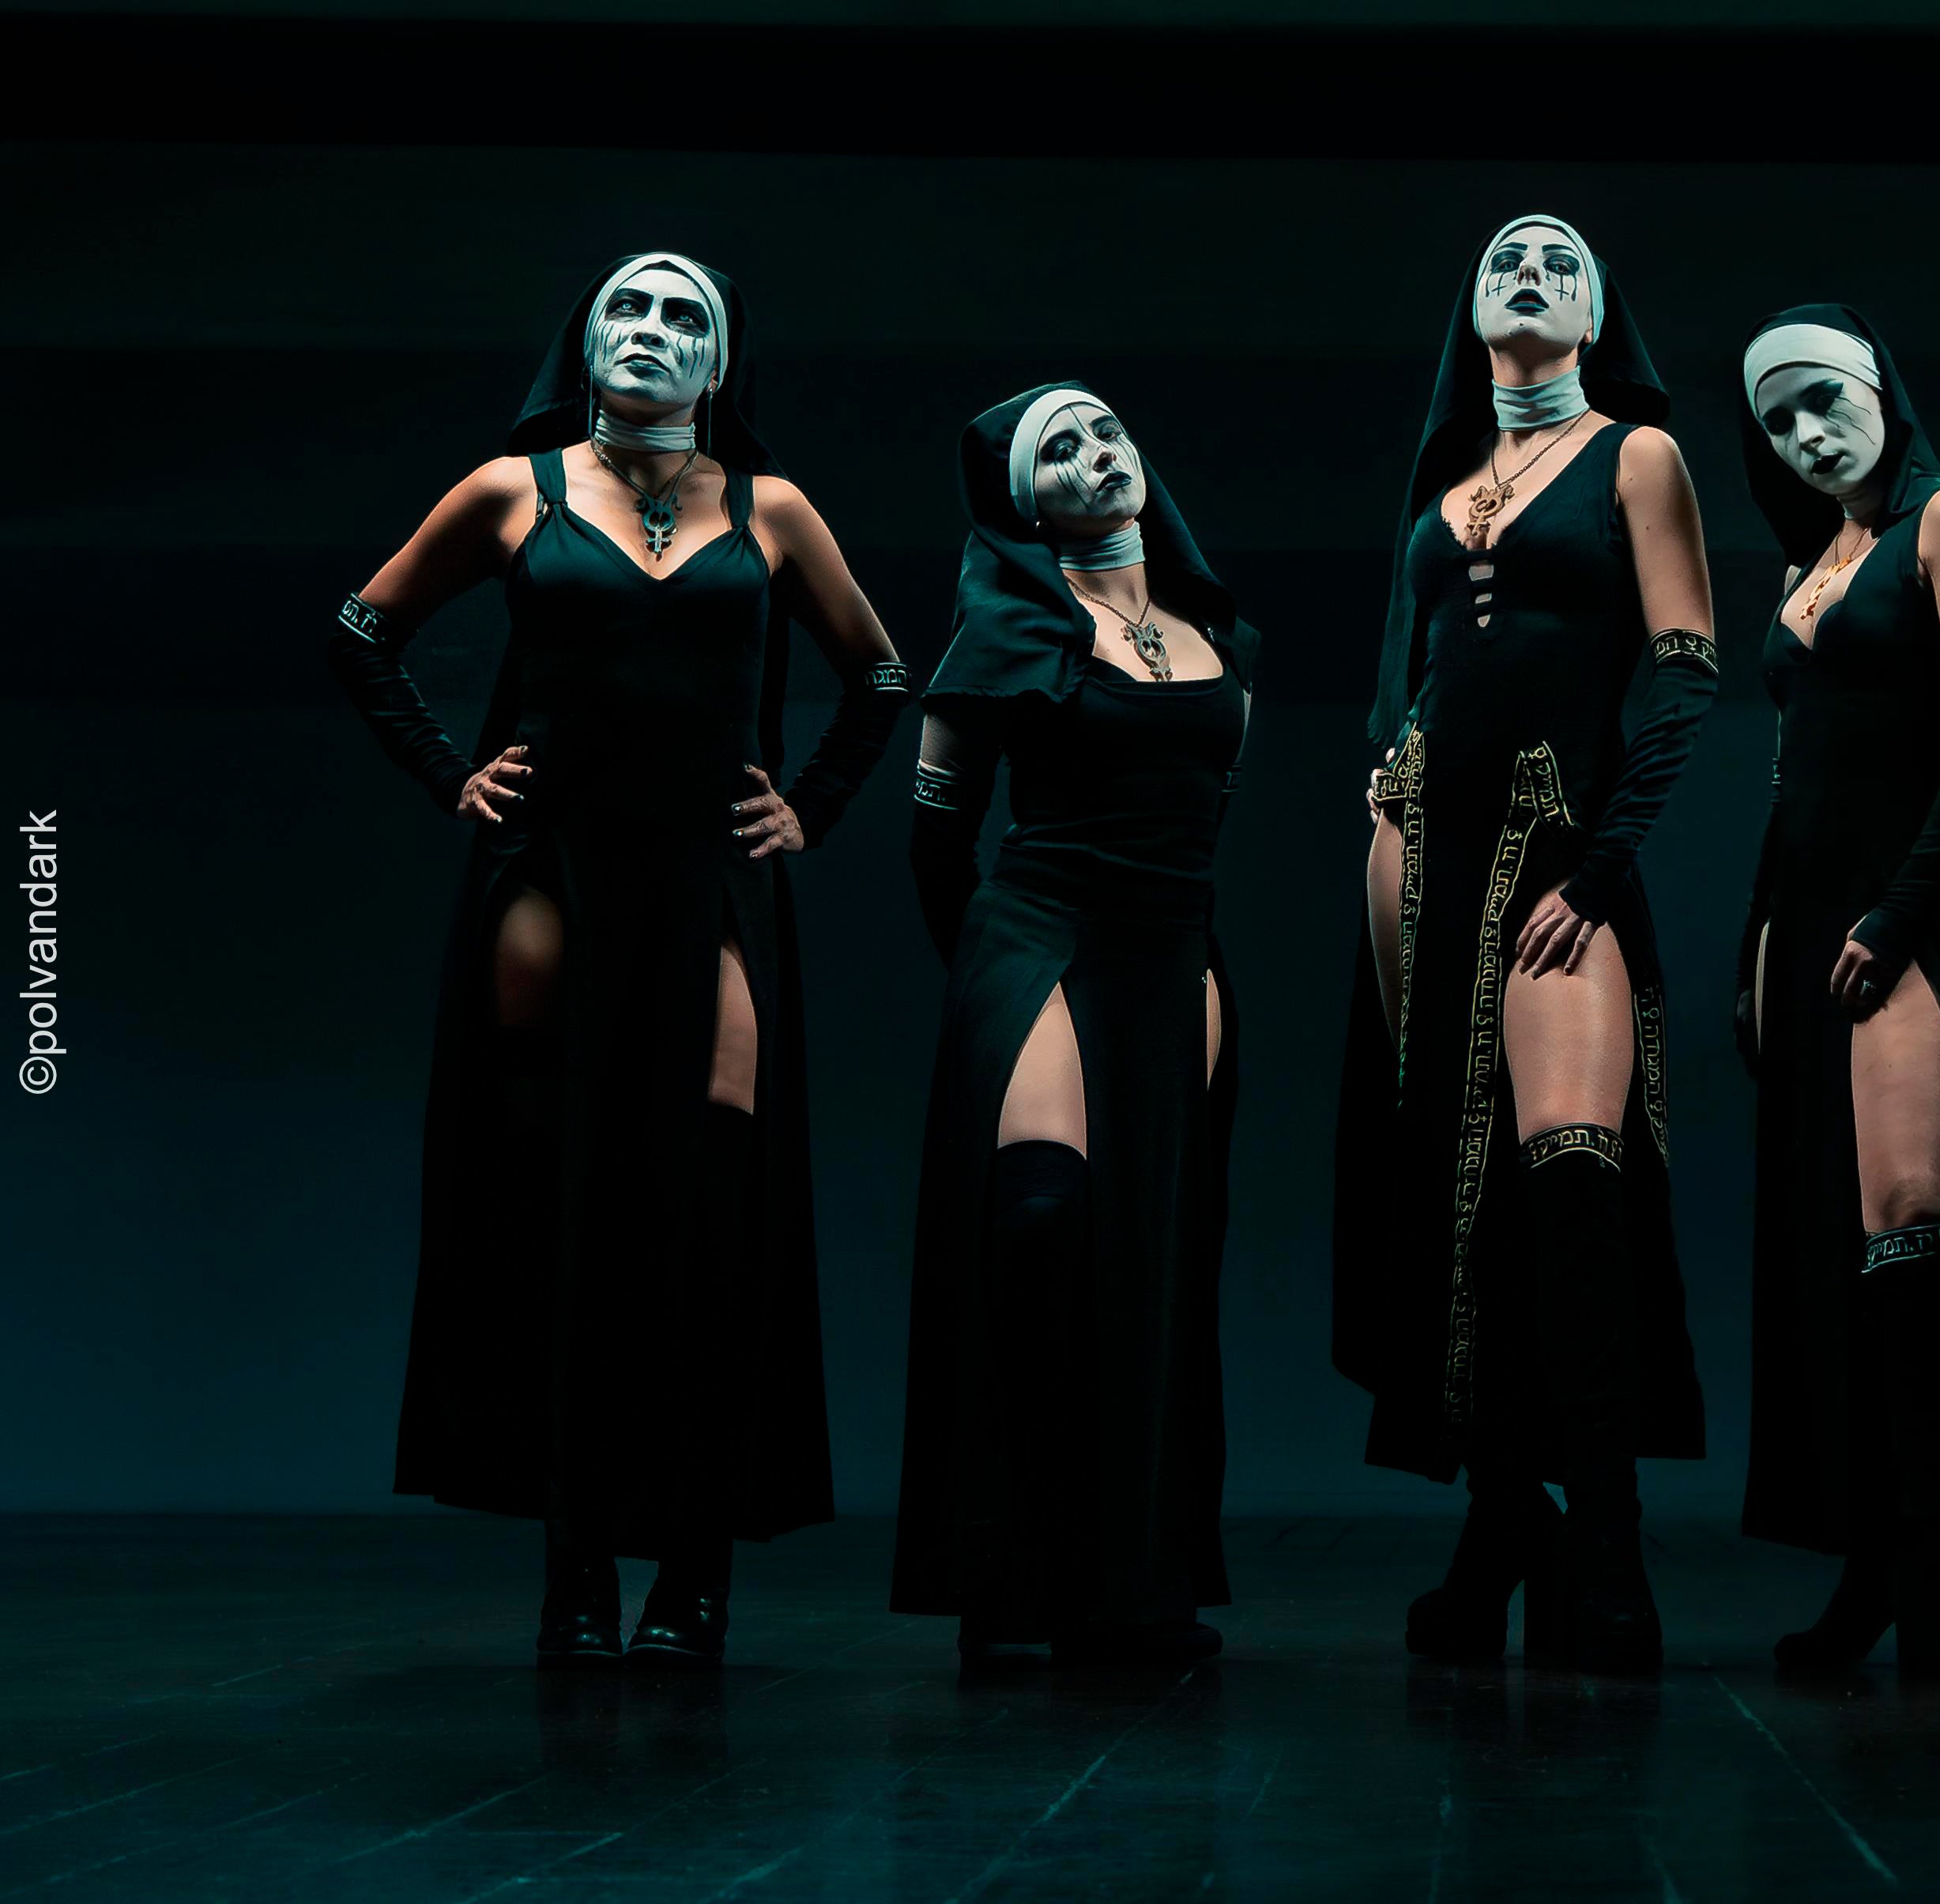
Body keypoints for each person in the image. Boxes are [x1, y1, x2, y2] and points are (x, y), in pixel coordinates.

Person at [326, 251, 909, 1666]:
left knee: (709, 1219)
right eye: (625, 308)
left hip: (712, 884)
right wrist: (450, 774)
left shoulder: (768, 508)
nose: (650, 329)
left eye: (681, 315)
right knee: (565, 1220)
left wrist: (812, 805)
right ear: (584, 342)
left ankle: (693, 1570)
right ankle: (576, 1568)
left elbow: (883, 673)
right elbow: (364, 629)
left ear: (721, 362)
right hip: (554, 879)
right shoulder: (511, 490)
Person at [1333, 214, 1712, 1675]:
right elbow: (1410, 687)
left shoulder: (1637, 457)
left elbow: (1682, 677)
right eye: (1506, 256)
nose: (1532, 268)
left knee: (1571, 1179)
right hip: (1421, 863)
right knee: (1454, 1190)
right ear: (1473, 308)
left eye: (1562, 258)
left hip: (1560, 853)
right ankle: (1500, 1524)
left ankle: (1606, 1540)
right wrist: (1386, 781)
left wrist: (1603, 865)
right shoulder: (1440, 490)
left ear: (1598, 313)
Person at [891, 384, 1260, 1665]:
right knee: (1042, 1220)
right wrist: (991, 988)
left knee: (1156, 1258)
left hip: (1173, 952)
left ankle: (1132, 1585)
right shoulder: (1000, 635)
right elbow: (937, 843)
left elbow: (1203, 814)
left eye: (1107, 432)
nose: (1097, 456)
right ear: (1022, 504)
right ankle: (1012, 1572)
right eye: (1061, 449)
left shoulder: (1221, 639)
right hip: (1039, 935)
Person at [1731, 306, 1940, 1680]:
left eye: (1822, 398)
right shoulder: (1809, 567)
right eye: (1777, 420)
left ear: (1877, 388)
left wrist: (1899, 911)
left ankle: (1935, 1586)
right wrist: (1756, 946)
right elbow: (1788, 778)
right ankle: (1868, 1567)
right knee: (1834, 1244)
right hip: (1806, 928)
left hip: (1914, 912)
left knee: (1916, 1218)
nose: (1806, 432)